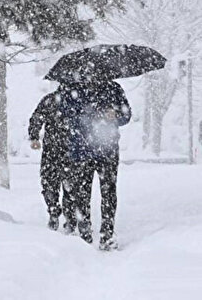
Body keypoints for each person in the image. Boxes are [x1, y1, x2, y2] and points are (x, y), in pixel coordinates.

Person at [61, 80, 131, 250]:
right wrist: (87, 115)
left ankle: (107, 235)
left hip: (107, 151)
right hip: (82, 151)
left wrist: (115, 115)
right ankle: (84, 234)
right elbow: (65, 114)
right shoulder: (73, 89)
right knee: (82, 194)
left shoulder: (114, 88)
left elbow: (126, 115)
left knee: (108, 192)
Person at [28, 86, 76, 232]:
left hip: (55, 150)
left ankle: (57, 212)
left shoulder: (51, 100)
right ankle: (64, 215)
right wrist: (34, 136)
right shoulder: (74, 100)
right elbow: (37, 118)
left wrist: (34, 136)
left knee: (52, 183)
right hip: (66, 150)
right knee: (67, 185)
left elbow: (37, 117)